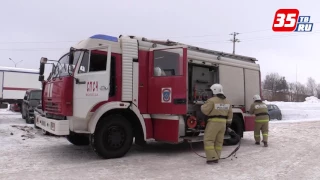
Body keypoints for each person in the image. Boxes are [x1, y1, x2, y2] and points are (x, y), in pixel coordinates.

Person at [201, 84, 233, 164]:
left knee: (208, 140)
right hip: (223, 124)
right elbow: (230, 114)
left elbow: (205, 110)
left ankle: (212, 158)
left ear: (214, 91)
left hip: (213, 122)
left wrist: (203, 105)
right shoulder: (227, 102)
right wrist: (228, 123)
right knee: (219, 141)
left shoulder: (212, 100)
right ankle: (217, 156)